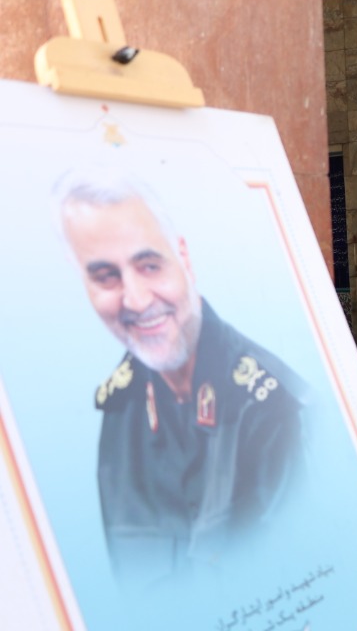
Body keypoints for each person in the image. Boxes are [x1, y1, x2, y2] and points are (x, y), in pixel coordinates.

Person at [54, 167, 306, 588]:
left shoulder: (273, 408)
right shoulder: (119, 409)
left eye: (150, 265)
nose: (136, 300)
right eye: (106, 277)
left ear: (184, 259)